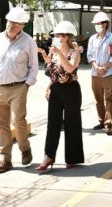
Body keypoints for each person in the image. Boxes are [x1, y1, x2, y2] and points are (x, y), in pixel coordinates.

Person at [0, 7, 39, 173]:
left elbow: (33, 68)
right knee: (2, 125)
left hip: (18, 87)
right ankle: (5, 158)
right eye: (10, 22)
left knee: (18, 121)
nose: (11, 26)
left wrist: (26, 85)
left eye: (16, 23)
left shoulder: (29, 42)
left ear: (22, 25)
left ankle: (24, 148)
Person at [36, 21, 84, 171]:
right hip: (56, 89)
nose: (55, 38)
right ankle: (48, 156)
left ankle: (72, 158)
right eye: (55, 35)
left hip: (71, 90)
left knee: (72, 124)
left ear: (65, 37)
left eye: (58, 35)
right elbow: (51, 71)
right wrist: (49, 86)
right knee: (53, 123)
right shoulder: (53, 52)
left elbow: (69, 69)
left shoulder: (74, 52)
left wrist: (59, 53)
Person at [87, 11, 112, 135]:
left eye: (99, 23)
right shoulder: (92, 39)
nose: (97, 25)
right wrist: (96, 67)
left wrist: (104, 68)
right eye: (95, 23)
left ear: (106, 24)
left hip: (109, 73)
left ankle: (108, 122)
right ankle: (101, 120)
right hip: (95, 74)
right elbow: (89, 55)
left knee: (109, 98)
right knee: (98, 98)